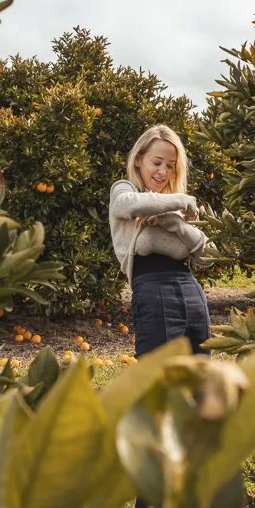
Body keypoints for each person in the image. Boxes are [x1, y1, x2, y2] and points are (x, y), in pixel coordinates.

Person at [109, 124, 214, 360]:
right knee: (158, 381)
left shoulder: (175, 207)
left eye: (170, 166)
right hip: (153, 293)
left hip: (192, 293)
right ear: (138, 160)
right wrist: (183, 200)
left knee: (200, 379)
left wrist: (174, 223)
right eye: (156, 163)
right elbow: (127, 205)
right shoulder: (125, 190)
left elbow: (208, 256)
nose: (162, 172)